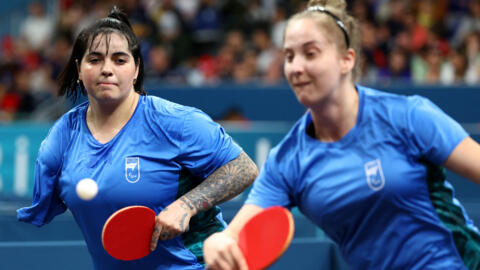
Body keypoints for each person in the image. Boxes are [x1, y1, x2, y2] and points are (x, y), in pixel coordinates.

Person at [203, 0, 480, 269]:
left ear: (347, 60)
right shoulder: (286, 162)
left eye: (310, 53)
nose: (296, 67)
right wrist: (217, 242)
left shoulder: (408, 116)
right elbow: (235, 237)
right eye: (289, 56)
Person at [16, 7, 258, 270]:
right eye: (95, 59)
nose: (107, 69)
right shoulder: (61, 138)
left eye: (120, 60)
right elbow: (46, 206)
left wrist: (186, 205)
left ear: (136, 69)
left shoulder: (174, 122)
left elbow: (244, 168)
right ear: (79, 68)